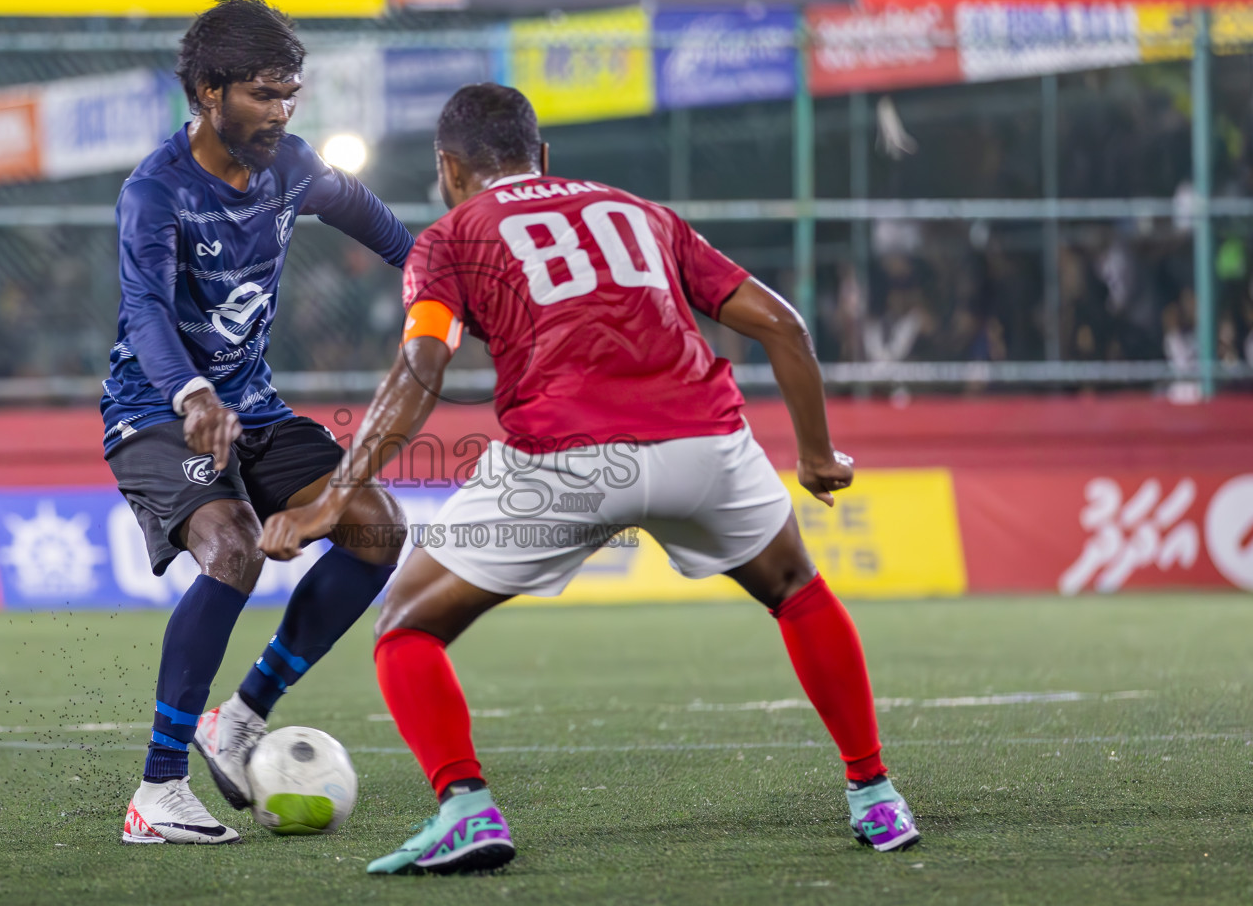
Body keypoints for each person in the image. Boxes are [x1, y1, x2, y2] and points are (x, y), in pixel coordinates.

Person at [259, 83, 920, 874]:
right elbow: (783, 324)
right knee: (797, 592)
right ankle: (876, 795)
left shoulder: (450, 238)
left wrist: (337, 494)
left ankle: (467, 808)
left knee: (406, 625)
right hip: (704, 447)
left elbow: (423, 364)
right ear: (542, 157)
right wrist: (816, 455)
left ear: (448, 169)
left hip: (567, 462)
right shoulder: (642, 213)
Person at [104, 0, 412, 845]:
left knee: (378, 528)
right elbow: (146, 314)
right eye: (264, 96)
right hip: (154, 411)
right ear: (208, 91)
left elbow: (390, 234)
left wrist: (457, 279)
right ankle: (157, 792)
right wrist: (192, 396)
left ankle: (239, 717)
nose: (281, 113)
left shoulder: (297, 167)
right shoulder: (155, 191)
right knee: (234, 545)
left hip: (254, 406)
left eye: (290, 95)